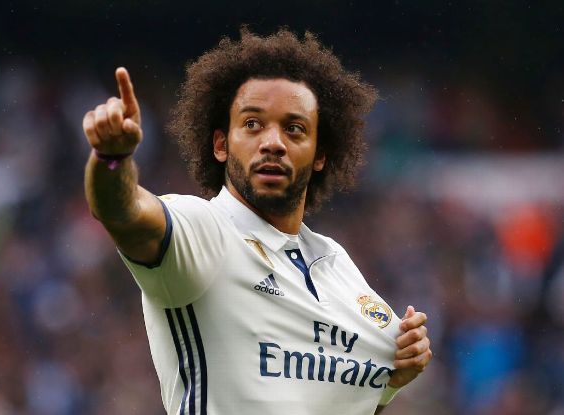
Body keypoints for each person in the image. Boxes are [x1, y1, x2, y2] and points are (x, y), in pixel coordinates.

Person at [82, 29, 432, 415]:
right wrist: (111, 160)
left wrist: (391, 380)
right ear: (221, 144)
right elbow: (123, 212)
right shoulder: (204, 230)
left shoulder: (336, 264)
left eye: (294, 128)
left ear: (319, 154)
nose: (273, 142)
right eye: (252, 124)